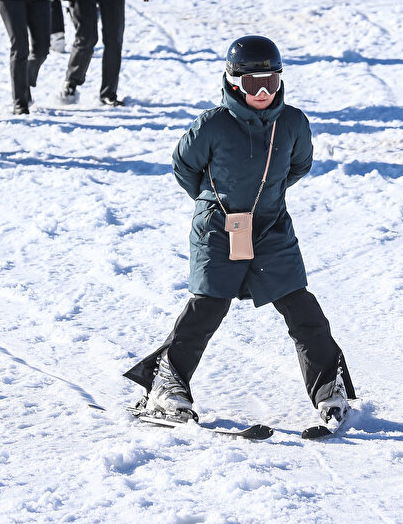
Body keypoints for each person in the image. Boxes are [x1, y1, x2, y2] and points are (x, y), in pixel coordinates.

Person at [124, 36, 357, 427]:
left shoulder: (294, 123)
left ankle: (329, 390)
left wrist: (266, 201)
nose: (262, 91)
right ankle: (166, 385)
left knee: (301, 307)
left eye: (270, 81)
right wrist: (214, 203)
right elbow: (185, 168)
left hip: (271, 228)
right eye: (252, 84)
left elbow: (298, 167)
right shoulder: (212, 125)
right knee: (208, 306)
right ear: (233, 83)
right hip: (219, 226)